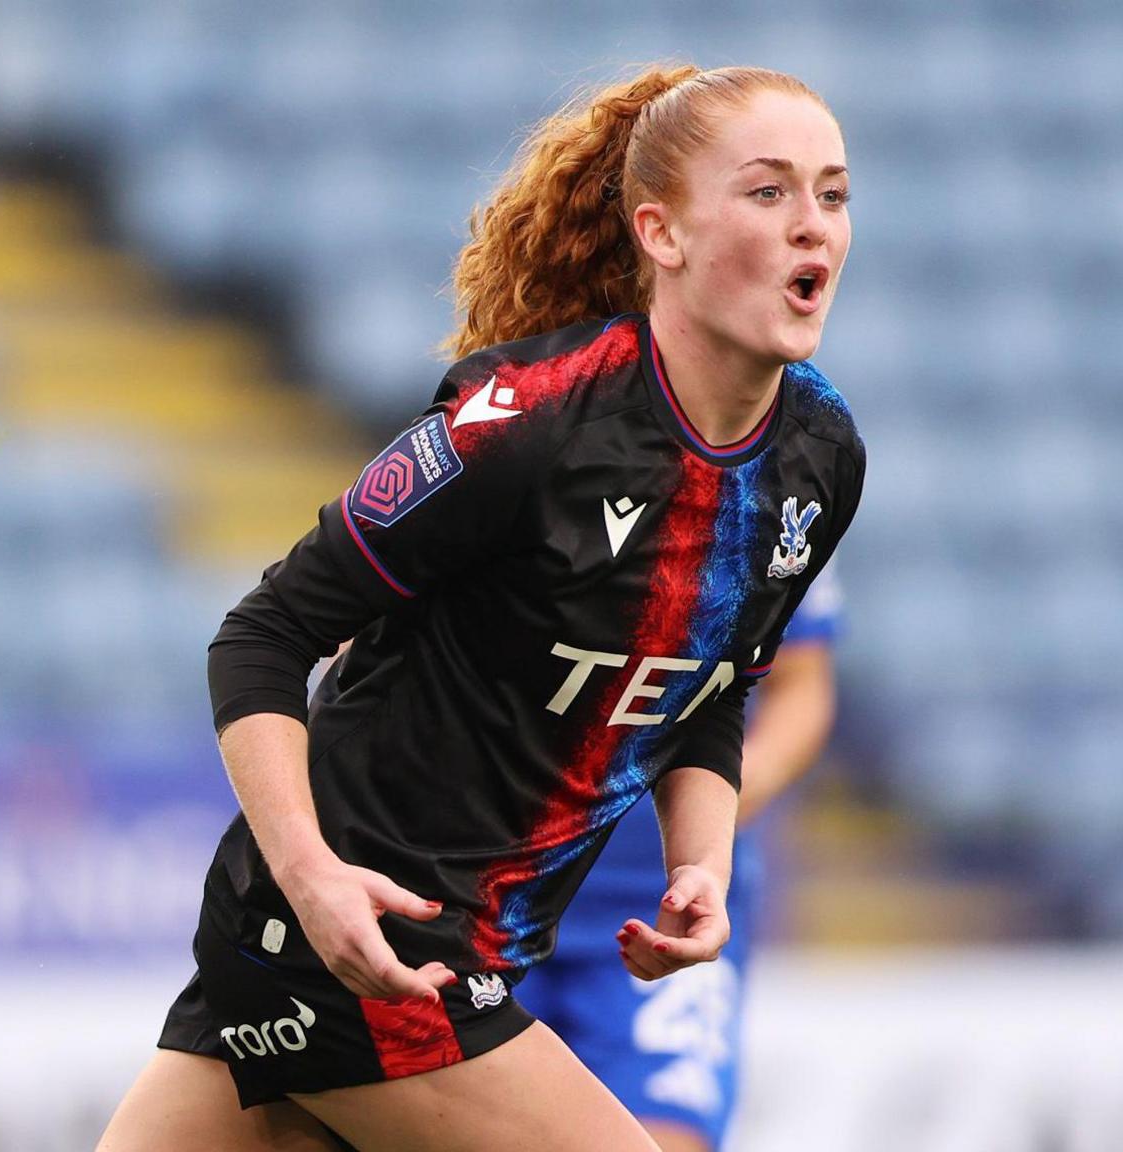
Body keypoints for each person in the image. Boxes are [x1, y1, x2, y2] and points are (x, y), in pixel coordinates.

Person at [98, 61, 862, 1152]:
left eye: (831, 195)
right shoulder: (528, 422)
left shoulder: (820, 455)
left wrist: (702, 862)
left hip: (415, 949)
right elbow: (263, 636)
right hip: (357, 941)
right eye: (767, 192)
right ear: (661, 234)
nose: (811, 228)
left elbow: (712, 687)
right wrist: (313, 880)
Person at [518, 564, 843, 1151]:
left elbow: (801, 679)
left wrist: (721, 807)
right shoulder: (507, 475)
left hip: (658, 896)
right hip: (486, 877)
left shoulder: (774, 486)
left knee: (664, 1139)